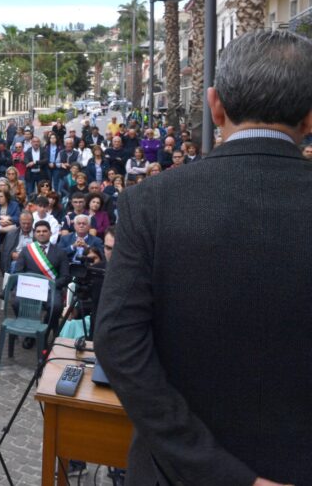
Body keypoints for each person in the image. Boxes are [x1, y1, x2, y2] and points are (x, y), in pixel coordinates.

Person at [95, 29, 312, 485]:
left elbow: (118, 344)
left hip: (177, 474)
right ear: (310, 118)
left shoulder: (151, 202)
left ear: (215, 105)